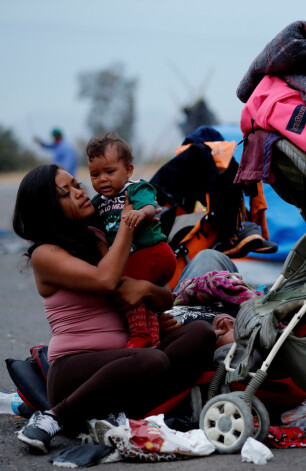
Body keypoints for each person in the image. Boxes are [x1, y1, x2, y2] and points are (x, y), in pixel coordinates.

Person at [12, 164, 216, 453]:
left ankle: (117, 416)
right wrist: (127, 223)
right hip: (75, 370)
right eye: (65, 192)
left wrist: (145, 290)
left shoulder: (97, 238)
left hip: (130, 359)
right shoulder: (46, 254)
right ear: (47, 207)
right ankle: (55, 417)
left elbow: (164, 299)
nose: (80, 192)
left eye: (76, 184)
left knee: (200, 334)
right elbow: (106, 279)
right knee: (152, 361)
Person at [87, 133, 176, 348]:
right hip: (138, 258)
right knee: (141, 297)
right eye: (95, 174)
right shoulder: (98, 203)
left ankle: (139, 333)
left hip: (153, 251)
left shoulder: (135, 188)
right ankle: (153, 338)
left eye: (110, 171)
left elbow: (149, 207)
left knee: (122, 282)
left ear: (128, 170)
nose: (102, 179)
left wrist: (141, 214)